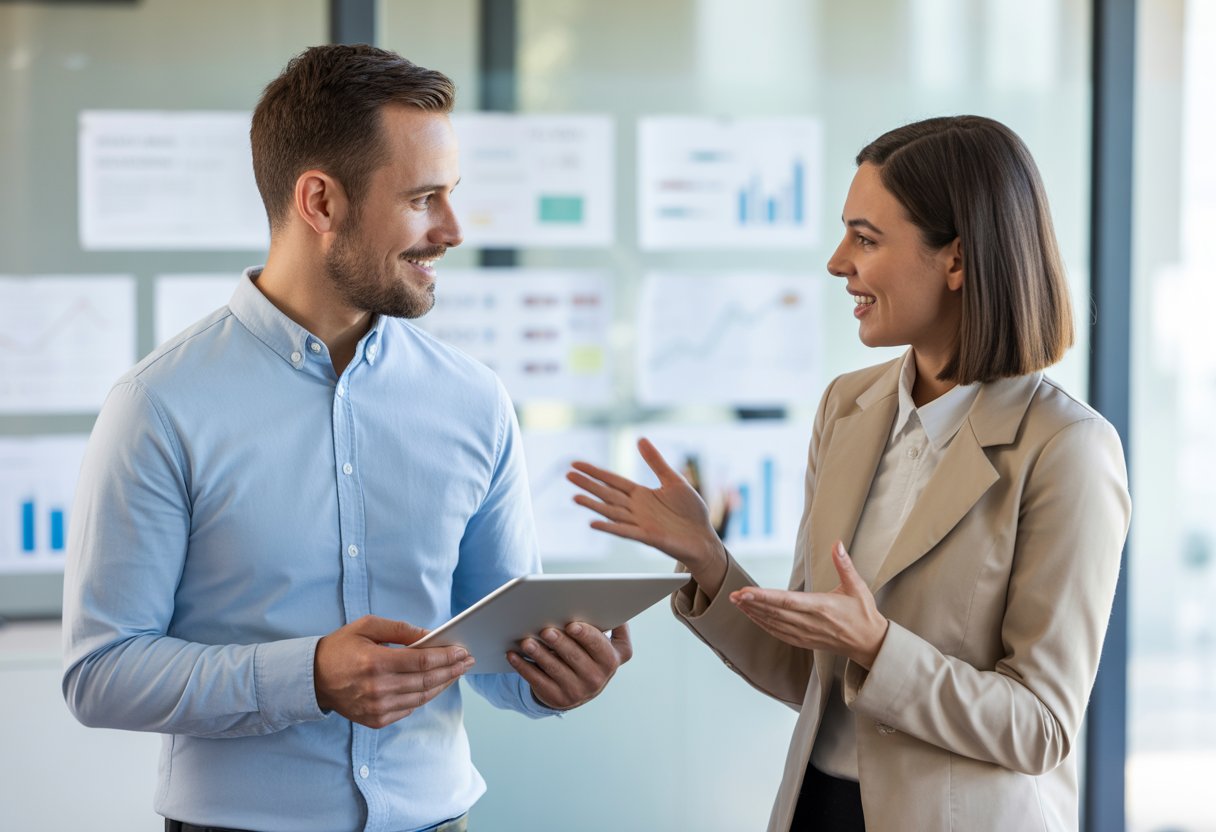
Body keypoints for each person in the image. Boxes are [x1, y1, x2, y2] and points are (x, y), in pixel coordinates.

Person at [62, 44, 631, 832]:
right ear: (321, 202)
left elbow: (493, 643)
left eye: (451, 195)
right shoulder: (159, 405)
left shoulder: (473, 400)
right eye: (424, 198)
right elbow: (100, 673)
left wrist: (550, 677)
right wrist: (310, 676)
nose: (453, 231)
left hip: (439, 819)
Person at [568, 115, 1130, 832]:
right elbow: (807, 673)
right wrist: (710, 561)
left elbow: (1040, 726)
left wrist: (878, 648)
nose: (838, 262)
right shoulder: (846, 408)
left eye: (865, 238)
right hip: (818, 810)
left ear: (956, 260)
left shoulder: (1066, 447)